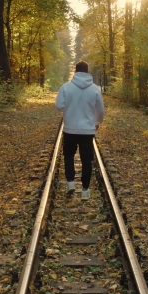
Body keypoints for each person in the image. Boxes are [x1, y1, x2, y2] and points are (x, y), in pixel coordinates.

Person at [55, 61, 105, 200]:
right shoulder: (95, 89)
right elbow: (100, 110)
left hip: (70, 129)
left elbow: (59, 106)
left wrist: (69, 107)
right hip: (87, 131)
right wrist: (97, 122)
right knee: (86, 160)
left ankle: (70, 183)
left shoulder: (66, 87)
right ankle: (85, 191)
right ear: (87, 72)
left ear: (75, 72)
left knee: (69, 156)